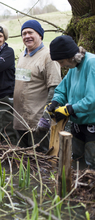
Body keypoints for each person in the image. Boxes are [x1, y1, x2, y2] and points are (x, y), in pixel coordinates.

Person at [45, 35, 95, 168]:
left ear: (70, 56)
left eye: (61, 62)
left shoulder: (92, 63)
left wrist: (69, 109)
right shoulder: (73, 67)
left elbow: (92, 100)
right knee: (77, 161)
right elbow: (62, 90)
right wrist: (55, 103)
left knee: (92, 164)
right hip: (78, 124)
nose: (61, 66)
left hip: (92, 124)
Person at [13, 20, 61, 152]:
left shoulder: (49, 57)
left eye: (30, 32)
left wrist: (46, 117)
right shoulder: (23, 55)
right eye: (24, 33)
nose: (27, 36)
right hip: (20, 119)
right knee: (23, 159)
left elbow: (55, 89)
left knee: (41, 160)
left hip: (38, 123)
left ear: (40, 35)